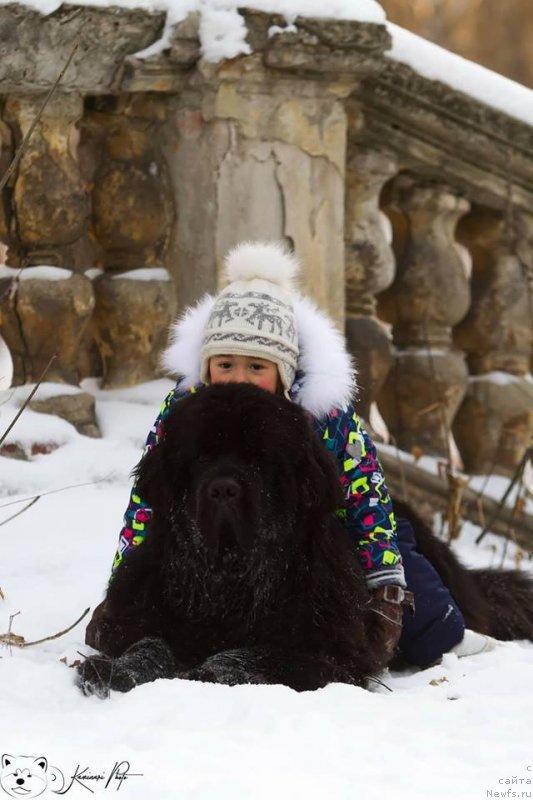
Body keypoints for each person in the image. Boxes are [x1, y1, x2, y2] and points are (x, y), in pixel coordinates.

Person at [86, 241, 496, 668]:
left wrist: (386, 589)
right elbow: (147, 502)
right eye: (225, 364)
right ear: (206, 367)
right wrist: (126, 585)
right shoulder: (185, 411)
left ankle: (453, 630)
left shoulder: (324, 414)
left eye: (256, 366)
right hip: (219, 544)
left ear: (284, 370)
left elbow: (367, 502)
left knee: (426, 623)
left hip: (325, 539)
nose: (238, 377)